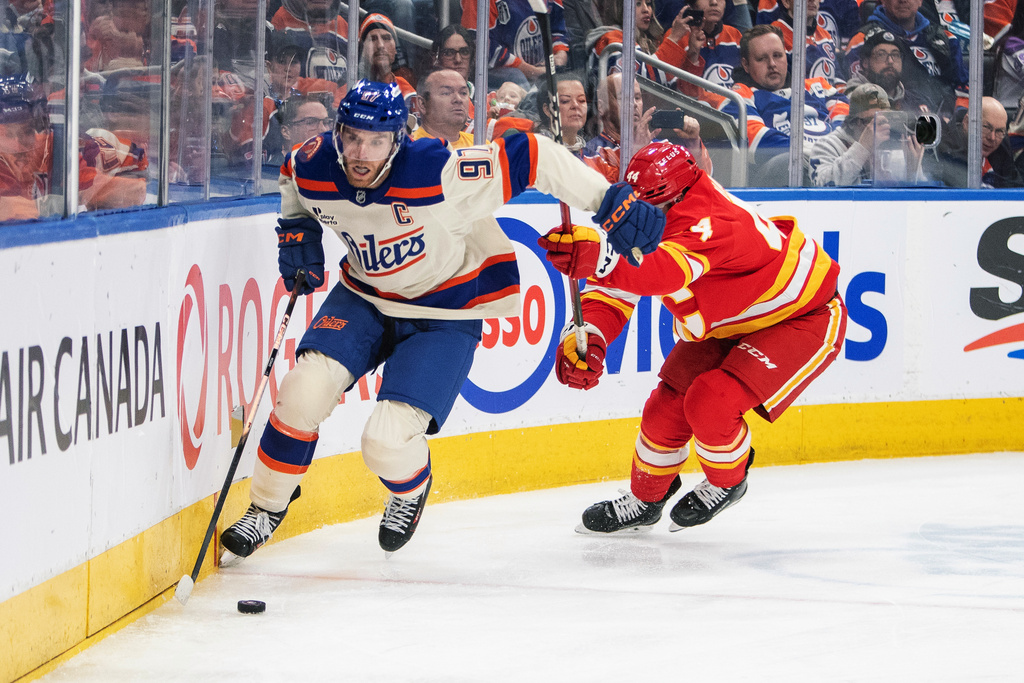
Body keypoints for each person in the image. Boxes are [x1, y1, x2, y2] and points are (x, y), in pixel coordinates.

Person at [218, 79, 667, 559]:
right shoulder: (315, 164)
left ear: (399, 138)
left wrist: (607, 200)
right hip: (364, 296)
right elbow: (292, 178)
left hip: (446, 310)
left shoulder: (438, 172)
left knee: (385, 443)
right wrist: (298, 232)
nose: (360, 153)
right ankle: (266, 507)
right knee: (300, 394)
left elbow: (534, 154)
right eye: (350, 137)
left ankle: (409, 490)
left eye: (375, 141)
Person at [536, 140, 847, 534]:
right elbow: (618, 289)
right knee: (665, 408)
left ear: (679, 195)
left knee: (711, 402)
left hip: (801, 317)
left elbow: (659, 273)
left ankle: (728, 483)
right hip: (732, 320)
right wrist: (591, 335)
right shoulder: (652, 208)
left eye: (654, 208)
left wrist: (599, 258)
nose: (644, 216)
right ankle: (647, 499)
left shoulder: (711, 221)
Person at [720, 25, 848, 167]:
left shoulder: (817, 85)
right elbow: (759, 142)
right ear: (746, 64)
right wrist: (815, 152)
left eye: (777, 55)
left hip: (834, 160)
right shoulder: (738, 97)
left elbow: (849, 122)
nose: (772, 64)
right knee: (786, 161)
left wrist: (836, 147)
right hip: (788, 170)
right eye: (762, 58)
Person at [845, 0, 968, 108]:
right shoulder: (862, 41)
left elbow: (963, 88)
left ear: (920, 1)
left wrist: (957, 117)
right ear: (882, 0)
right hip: (894, 121)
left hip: (945, 121)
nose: (903, 0)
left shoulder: (946, 38)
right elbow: (856, 95)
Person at [808, 82, 924, 186]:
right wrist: (863, 147)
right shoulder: (826, 146)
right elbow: (824, 187)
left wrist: (913, 170)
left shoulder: (896, 149)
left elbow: (918, 204)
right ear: (853, 123)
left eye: (884, 120)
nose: (879, 128)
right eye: (871, 121)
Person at [654, 0, 744, 102]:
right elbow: (674, 92)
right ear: (692, 4)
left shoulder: (735, 35)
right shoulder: (677, 36)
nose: (714, 2)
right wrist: (693, 55)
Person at [925, 96, 1024, 188]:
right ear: (967, 122)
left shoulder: (1001, 142)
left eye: (999, 131)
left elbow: (1015, 187)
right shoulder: (945, 147)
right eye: (986, 127)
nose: (992, 137)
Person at [411, 69, 475, 148]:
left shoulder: (480, 145)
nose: (458, 99)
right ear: (422, 104)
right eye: (446, 93)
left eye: (463, 93)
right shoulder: (411, 148)